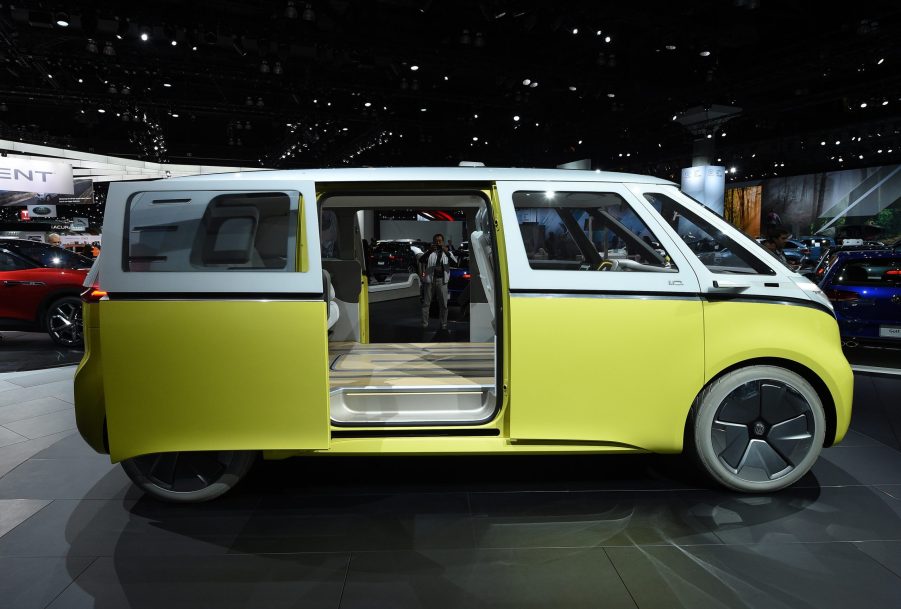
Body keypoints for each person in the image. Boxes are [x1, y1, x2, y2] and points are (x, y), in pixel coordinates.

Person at [419, 232, 457, 330]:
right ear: (433, 242)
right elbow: (421, 260)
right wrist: (429, 251)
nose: (438, 243)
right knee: (426, 303)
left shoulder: (447, 253)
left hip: (442, 281)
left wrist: (447, 252)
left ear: (443, 242)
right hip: (430, 281)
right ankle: (424, 324)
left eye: (440, 241)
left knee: (443, 305)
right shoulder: (430, 253)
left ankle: (443, 324)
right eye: (436, 241)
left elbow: (456, 264)